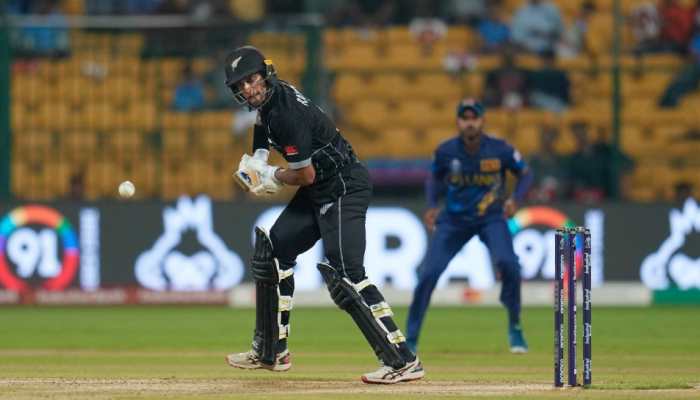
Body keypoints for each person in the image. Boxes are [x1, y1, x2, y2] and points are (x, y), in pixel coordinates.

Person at [223, 46, 424, 384]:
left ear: (265, 74)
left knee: (345, 272)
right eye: (239, 85)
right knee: (274, 251)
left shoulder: (287, 114)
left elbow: (305, 176)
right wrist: (258, 157)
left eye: (251, 80)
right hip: (322, 187)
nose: (247, 89)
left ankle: (403, 360)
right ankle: (272, 351)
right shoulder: (272, 98)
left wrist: (270, 176)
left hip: (344, 184)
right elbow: (262, 124)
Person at [406, 98, 533, 354]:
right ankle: (410, 338)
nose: (470, 123)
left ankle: (515, 325)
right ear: (458, 122)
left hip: (491, 218)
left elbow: (526, 173)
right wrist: (431, 205)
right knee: (428, 274)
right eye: (465, 118)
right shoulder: (446, 151)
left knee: (509, 264)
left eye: (474, 118)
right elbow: (433, 178)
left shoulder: (500, 149)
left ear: (482, 121)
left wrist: (516, 199)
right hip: (454, 221)